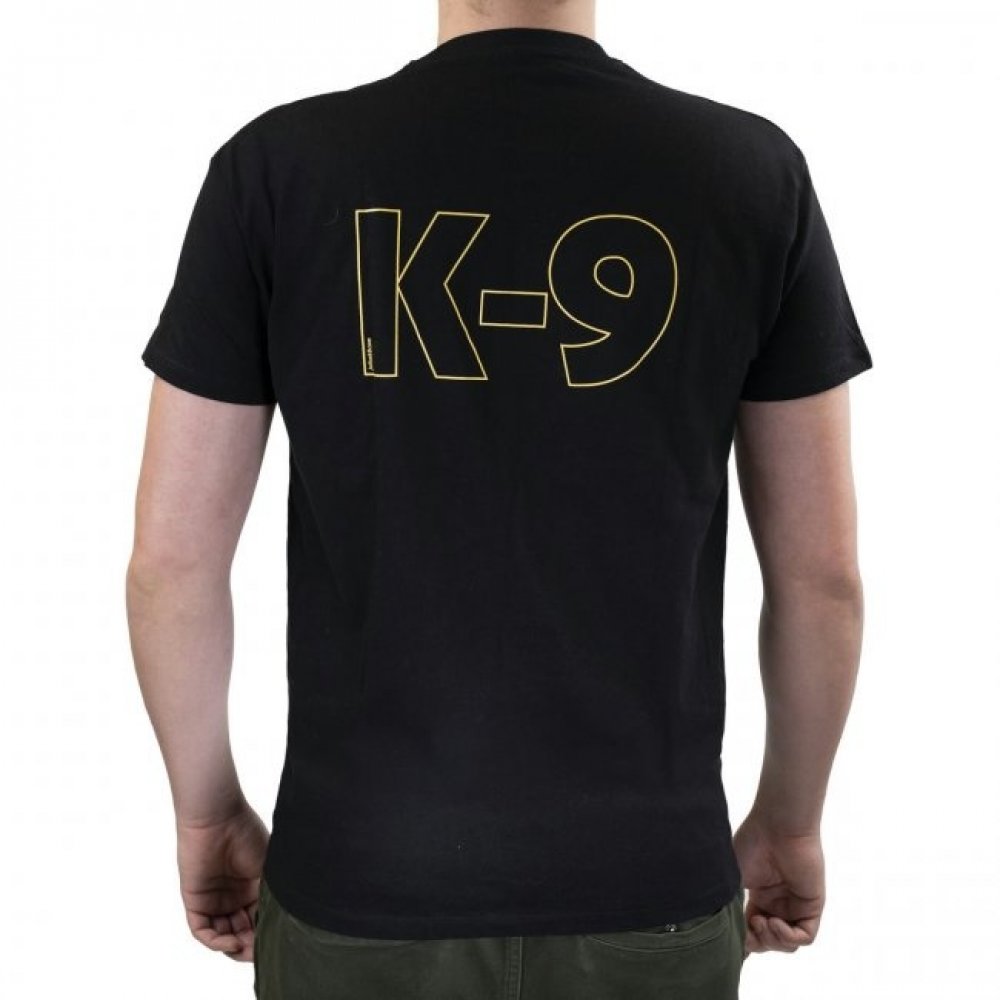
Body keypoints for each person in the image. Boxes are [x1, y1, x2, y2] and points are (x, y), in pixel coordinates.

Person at [125, 0, 872, 997]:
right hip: (646, 886)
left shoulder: (279, 169)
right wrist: (789, 821)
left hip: (362, 880)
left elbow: (172, 568)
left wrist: (206, 811)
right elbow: (822, 579)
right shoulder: (746, 174)